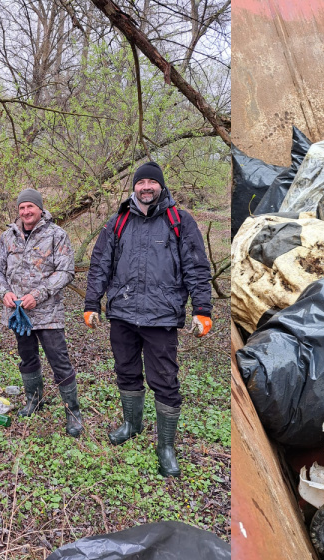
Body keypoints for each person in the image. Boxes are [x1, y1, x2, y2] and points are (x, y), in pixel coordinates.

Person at [83, 161, 213, 477]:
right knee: (126, 372)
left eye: (151, 183)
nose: (146, 188)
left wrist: (202, 310)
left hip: (161, 318)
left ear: (160, 186)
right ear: (134, 187)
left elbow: (196, 267)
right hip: (123, 315)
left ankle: (166, 447)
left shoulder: (179, 221)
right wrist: (91, 303)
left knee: (165, 382)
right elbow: (100, 264)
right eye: (141, 183)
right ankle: (132, 424)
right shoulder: (118, 221)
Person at [0, 189, 83, 437]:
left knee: (59, 362)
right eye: (22, 208)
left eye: (30, 206)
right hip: (18, 313)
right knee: (27, 357)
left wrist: (38, 295)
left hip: (48, 313)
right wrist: (4, 293)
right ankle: (34, 400)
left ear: (40, 209)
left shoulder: (56, 235)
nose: (26, 212)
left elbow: (66, 271)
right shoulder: (8, 237)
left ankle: (73, 414)